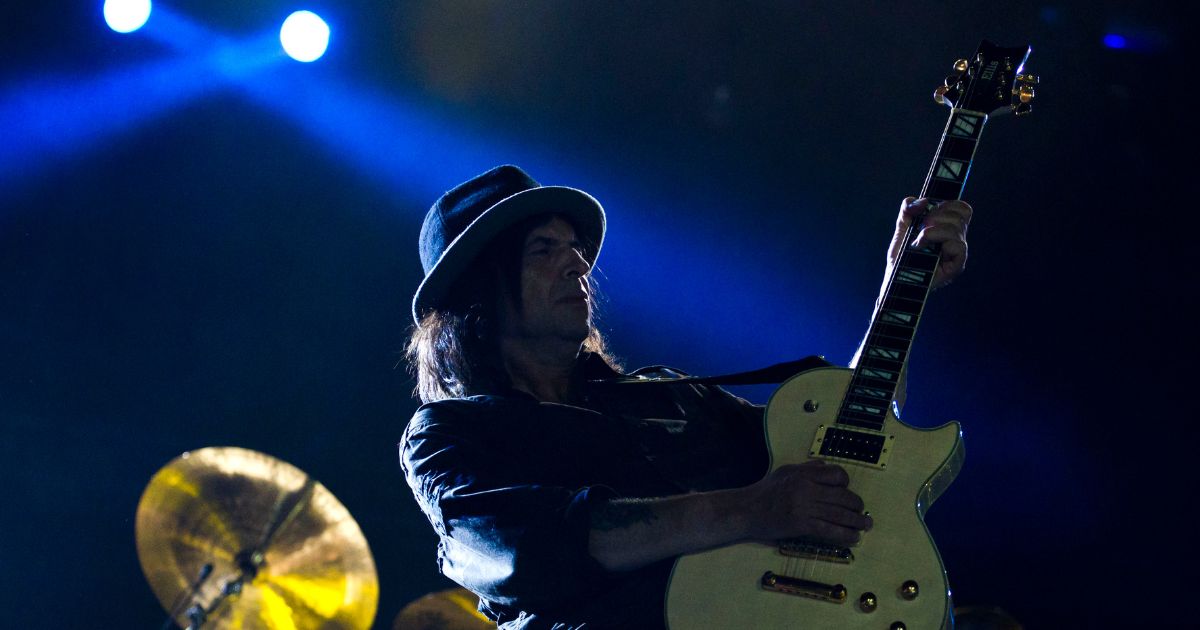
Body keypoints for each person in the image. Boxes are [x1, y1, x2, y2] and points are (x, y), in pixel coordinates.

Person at [399, 165, 971, 629]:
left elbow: (836, 453)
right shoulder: (449, 434)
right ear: (477, 294)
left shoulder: (665, 394)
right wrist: (753, 509)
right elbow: (526, 545)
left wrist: (902, 284)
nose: (577, 262)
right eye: (542, 250)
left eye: (574, 247)